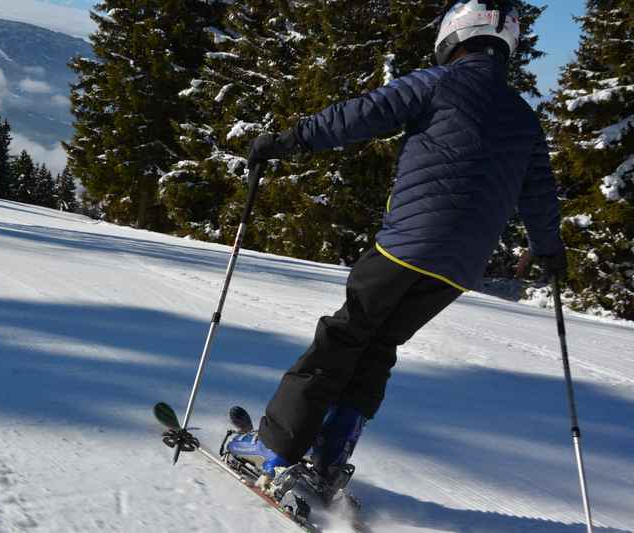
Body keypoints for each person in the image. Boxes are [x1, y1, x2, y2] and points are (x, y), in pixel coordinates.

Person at [226, 0, 568, 488]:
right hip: (459, 268)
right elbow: (539, 195)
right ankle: (329, 455)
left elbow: (361, 115)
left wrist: (289, 140)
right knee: (378, 345)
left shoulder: (438, 82)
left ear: (452, 36)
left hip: (407, 245)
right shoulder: (523, 117)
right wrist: (550, 250)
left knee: (343, 337)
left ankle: (275, 446)